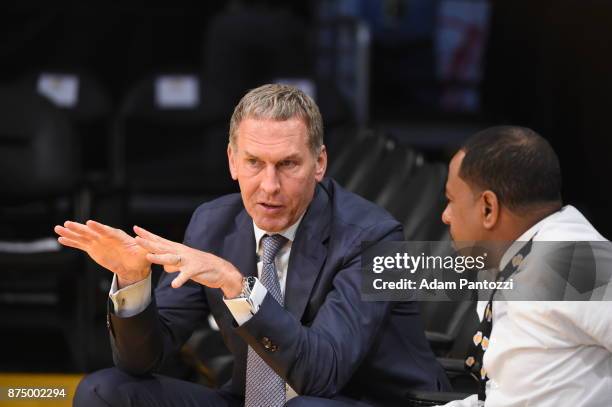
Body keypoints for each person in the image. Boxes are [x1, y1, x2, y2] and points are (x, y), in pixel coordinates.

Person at [55, 84, 449, 407]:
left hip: (353, 400)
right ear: (232, 161)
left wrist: (238, 287)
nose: (269, 186)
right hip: (252, 400)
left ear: (320, 163)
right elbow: (142, 360)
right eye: (254, 163)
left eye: (288, 165)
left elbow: (322, 374)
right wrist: (133, 279)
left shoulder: (374, 236)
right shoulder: (213, 223)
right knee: (103, 392)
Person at [438, 126, 612, 406]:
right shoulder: (503, 260)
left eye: (450, 200)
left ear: (488, 209)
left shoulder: (572, 257)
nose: (445, 216)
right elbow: (505, 394)